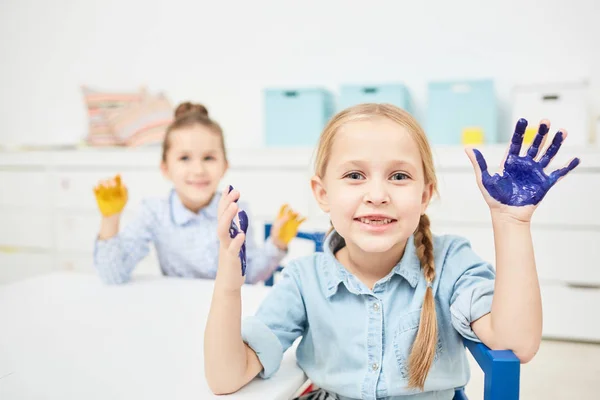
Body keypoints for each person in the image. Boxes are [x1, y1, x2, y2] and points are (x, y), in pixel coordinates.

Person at [204, 103, 580, 399]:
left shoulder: (452, 263)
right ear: (322, 194)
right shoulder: (304, 280)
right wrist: (228, 284)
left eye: (399, 176)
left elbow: (518, 344)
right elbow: (226, 378)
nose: (378, 195)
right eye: (355, 175)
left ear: (425, 194)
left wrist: (512, 223)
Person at [93, 102, 304, 285]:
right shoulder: (155, 212)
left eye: (209, 158)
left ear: (224, 166)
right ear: (165, 168)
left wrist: (277, 243)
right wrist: (110, 219)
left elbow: (248, 276)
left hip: (224, 311)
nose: (198, 170)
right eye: (184, 158)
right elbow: (113, 275)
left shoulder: (235, 212)